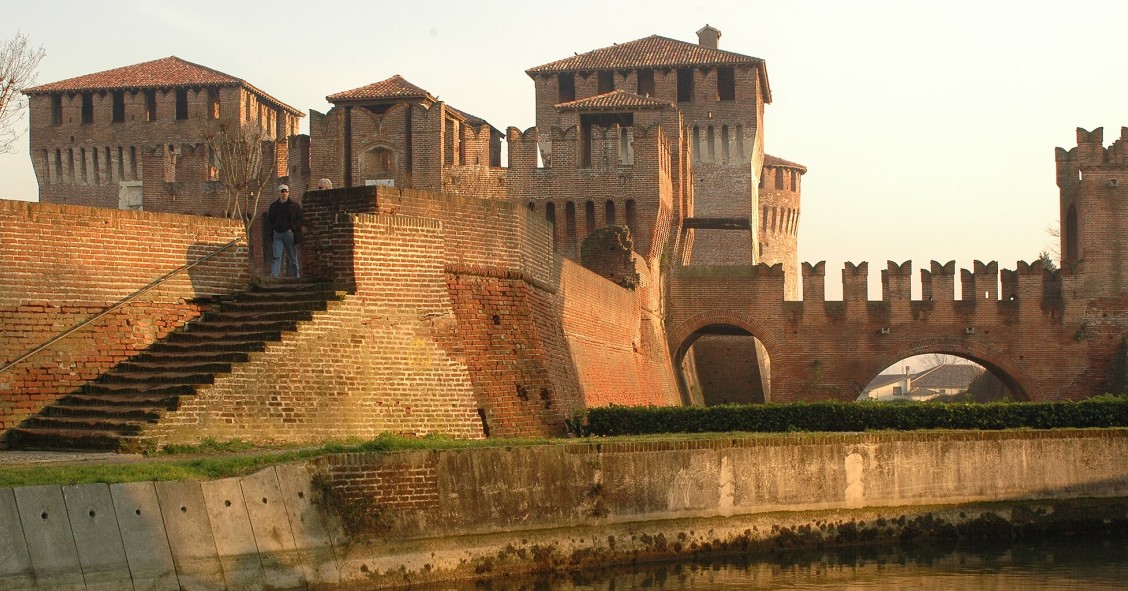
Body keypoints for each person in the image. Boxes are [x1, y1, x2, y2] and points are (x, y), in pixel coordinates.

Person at [266, 184, 302, 277]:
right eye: (282, 191)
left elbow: (300, 218)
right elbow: (269, 220)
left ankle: (296, 276)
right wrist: (272, 231)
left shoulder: (294, 205)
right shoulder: (274, 206)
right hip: (277, 234)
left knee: (292, 257)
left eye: (286, 191)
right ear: (279, 193)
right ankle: (274, 277)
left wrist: (293, 229)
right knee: (276, 256)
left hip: (288, 233)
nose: (284, 193)